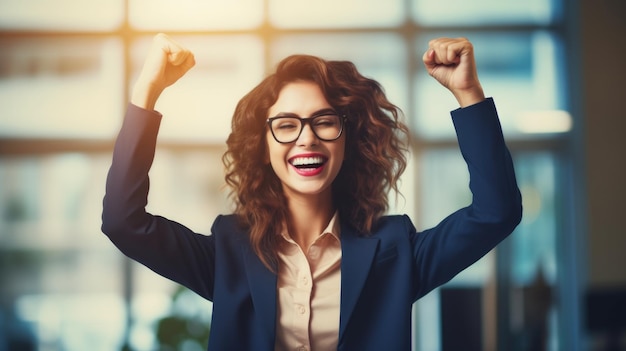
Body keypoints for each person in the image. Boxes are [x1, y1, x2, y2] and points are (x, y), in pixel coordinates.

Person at [102, 33, 522, 351]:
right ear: (263, 149)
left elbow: (495, 213)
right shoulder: (228, 251)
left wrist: (468, 93)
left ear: (347, 140)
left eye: (324, 121)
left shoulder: (395, 251)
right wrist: (147, 92)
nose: (307, 139)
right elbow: (123, 221)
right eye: (285, 125)